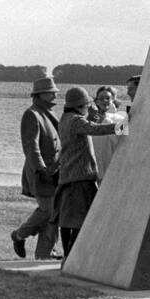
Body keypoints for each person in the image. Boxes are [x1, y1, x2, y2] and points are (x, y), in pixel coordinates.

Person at [55, 87, 119, 258]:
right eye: (87, 104)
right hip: (81, 176)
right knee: (79, 219)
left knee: (67, 219)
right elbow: (96, 129)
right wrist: (123, 125)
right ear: (80, 105)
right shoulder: (76, 120)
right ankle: (72, 256)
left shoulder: (65, 119)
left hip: (68, 175)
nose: (89, 107)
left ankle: (68, 255)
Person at [11, 75, 62, 260]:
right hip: (40, 174)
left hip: (54, 172)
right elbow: (31, 146)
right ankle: (19, 235)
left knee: (52, 214)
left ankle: (44, 253)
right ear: (40, 94)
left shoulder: (48, 113)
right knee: (47, 211)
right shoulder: (31, 114)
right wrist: (40, 169)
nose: (55, 96)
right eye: (51, 93)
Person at [89, 85, 123, 180]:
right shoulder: (91, 119)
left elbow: (119, 141)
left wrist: (105, 119)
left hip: (112, 168)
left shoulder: (121, 119)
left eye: (107, 98)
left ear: (113, 100)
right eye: (101, 98)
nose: (104, 101)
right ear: (96, 101)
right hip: (94, 170)